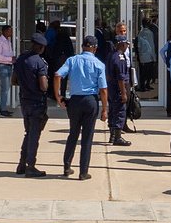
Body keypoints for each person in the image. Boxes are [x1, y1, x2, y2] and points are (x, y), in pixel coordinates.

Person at [54, 34, 108, 179]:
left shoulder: (72, 60)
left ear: (83, 46)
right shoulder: (99, 64)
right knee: (87, 137)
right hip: (90, 100)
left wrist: (58, 96)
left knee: (73, 133)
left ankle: (67, 166)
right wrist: (104, 108)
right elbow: (103, 89)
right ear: (95, 48)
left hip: (75, 100)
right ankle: (83, 171)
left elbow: (58, 75)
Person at [13, 32, 50, 177]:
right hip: (37, 102)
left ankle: (21, 164)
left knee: (28, 133)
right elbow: (43, 86)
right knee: (34, 135)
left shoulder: (21, 59)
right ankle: (30, 166)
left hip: (24, 100)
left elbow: (13, 80)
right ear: (41, 47)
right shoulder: (39, 63)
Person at [107, 33, 133, 146]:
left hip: (111, 88)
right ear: (121, 45)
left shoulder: (110, 55)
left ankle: (112, 135)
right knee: (120, 112)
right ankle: (117, 137)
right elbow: (121, 78)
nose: (127, 46)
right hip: (118, 89)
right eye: (126, 44)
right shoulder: (120, 57)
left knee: (113, 111)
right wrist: (123, 93)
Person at [0, 24, 15, 117]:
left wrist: (12, 58)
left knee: (7, 88)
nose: (11, 32)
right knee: (4, 89)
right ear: (4, 31)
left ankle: (4, 108)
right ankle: (2, 110)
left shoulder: (8, 41)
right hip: (3, 66)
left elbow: (9, 53)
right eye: (9, 31)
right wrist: (10, 59)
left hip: (9, 66)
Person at [137, 20, 157, 93]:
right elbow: (152, 45)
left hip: (143, 55)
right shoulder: (150, 33)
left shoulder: (140, 33)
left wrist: (139, 54)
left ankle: (143, 85)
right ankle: (146, 85)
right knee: (148, 72)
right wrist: (154, 57)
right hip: (149, 55)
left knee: (143, 72)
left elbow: (139, 45)